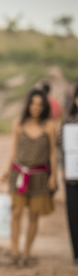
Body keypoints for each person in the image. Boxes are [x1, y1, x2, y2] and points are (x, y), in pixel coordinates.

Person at [1, 89, 57, 267]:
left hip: (40, 175)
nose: (36, 107)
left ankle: (27, 253)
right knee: (16, 212)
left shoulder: (49, 126)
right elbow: (13, 148)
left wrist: (54, 176)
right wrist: (6, 170)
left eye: (40, 104)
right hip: (19, 174)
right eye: (33, 103)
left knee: (34, 215)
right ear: (28, 105)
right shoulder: (19, 123)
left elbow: (53, 153)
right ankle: (14, 252)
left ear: (44, 106)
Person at [58, 83, 78, 265]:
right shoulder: (68, 121)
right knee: (73, 214)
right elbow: (60, 148)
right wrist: (63, 168)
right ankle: (76, 254)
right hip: (71, 177)